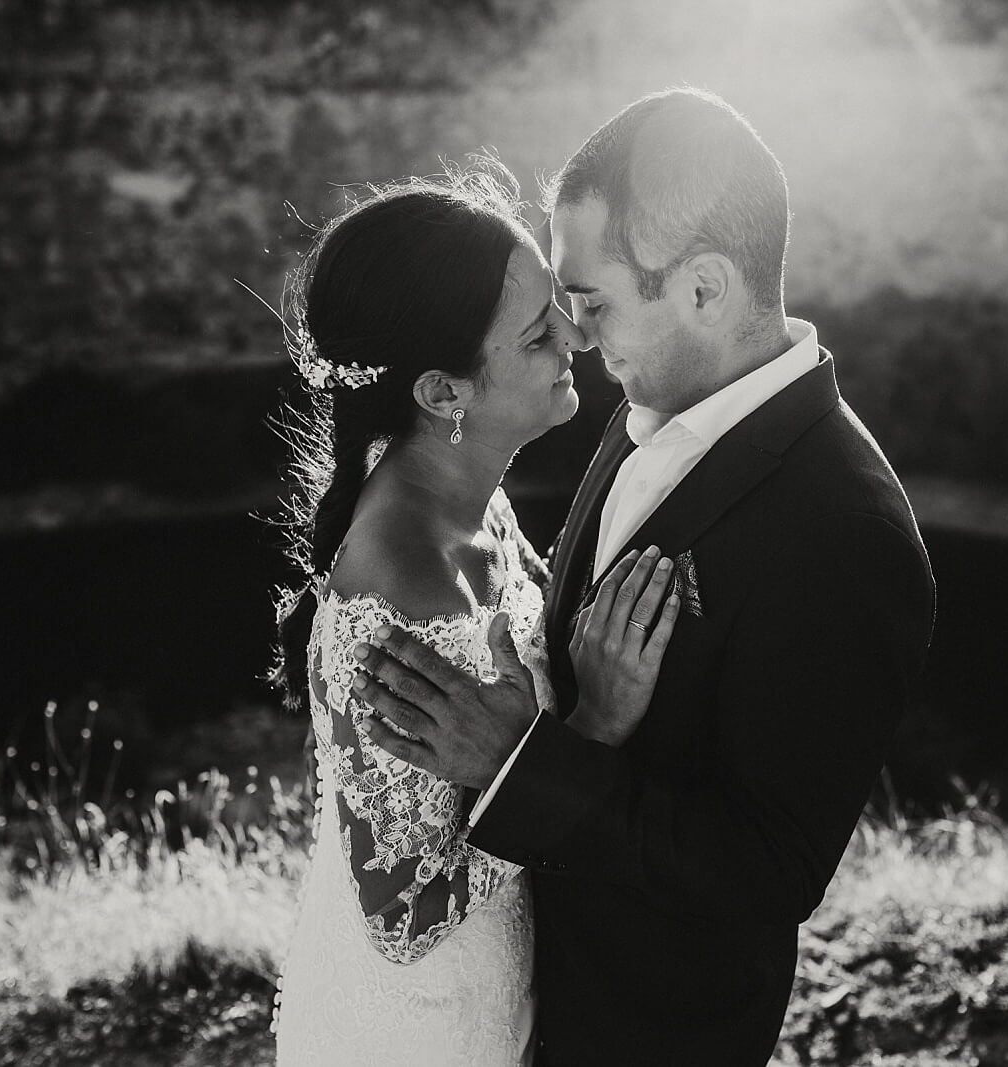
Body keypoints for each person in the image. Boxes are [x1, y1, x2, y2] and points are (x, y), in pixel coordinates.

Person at [353, 88, 937, 1065]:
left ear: (703, 289)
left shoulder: (845, 531)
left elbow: (767, 870)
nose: (575, 335)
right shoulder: (654, 399)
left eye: (593, 301)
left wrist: (522, 763)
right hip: (511, 1002)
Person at [267, 166, 681, 1067]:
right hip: (421, 1029)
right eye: (538, 333)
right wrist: (590, 731)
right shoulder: (400, 602)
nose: (575, 333)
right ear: (442, 393)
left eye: (558, 304)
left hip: (502, 986)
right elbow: (402, 915)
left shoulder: (470, 501)